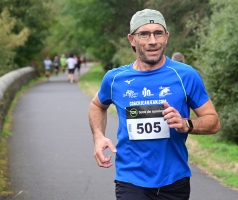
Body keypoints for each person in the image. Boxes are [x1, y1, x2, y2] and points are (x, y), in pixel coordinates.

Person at [88, 9, 220, 200]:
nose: (152, 41)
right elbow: (97, 105)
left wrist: (186, 124)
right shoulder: (115, 79)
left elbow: (213, 122)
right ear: (132, 40)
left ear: (166, 37)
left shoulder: (185, 76)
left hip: (174, 180)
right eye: (144, 34)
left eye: (158, 33)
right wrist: (98, 137)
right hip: (130, 180)